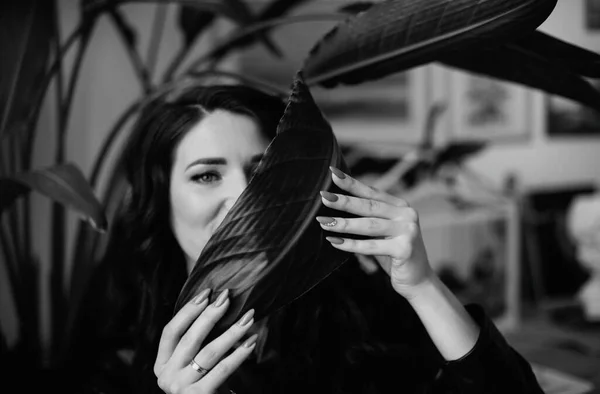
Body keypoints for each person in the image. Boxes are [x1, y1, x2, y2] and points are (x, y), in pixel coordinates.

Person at [65, 83, 545, 394]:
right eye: (207, 176)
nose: (244, 198)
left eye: (262, 171)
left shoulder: (354, 302)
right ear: (160, 201)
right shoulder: (119, 339)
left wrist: (424, 288)